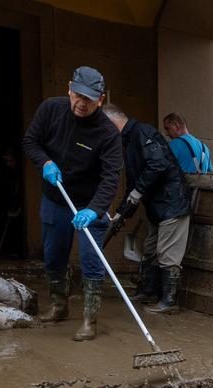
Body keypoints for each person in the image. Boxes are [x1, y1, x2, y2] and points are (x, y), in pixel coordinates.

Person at [22, 66, 123, 341]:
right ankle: (58, 305)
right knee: (54, 256)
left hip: (90, 203)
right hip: (56, 197)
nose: (81, 103)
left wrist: (94, 209)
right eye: (77, 95)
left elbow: (110, 177)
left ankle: (90, 321)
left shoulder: (107, 133)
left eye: (89, 99)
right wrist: (44, 162)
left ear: (100, 99)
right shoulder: (51, 110)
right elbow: (31, 141)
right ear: (69, 89)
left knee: (92, 260)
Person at [104, 104, 192, 314]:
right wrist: (121, 212)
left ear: (112, 123)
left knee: (167, 253)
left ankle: (169, 301)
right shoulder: (129, 142)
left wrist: (137, 192)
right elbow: (133, 182)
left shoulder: (142, 133)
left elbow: (158, 165)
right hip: (156, 208)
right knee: (151, 249)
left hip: (172, 204)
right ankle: (149, 291)